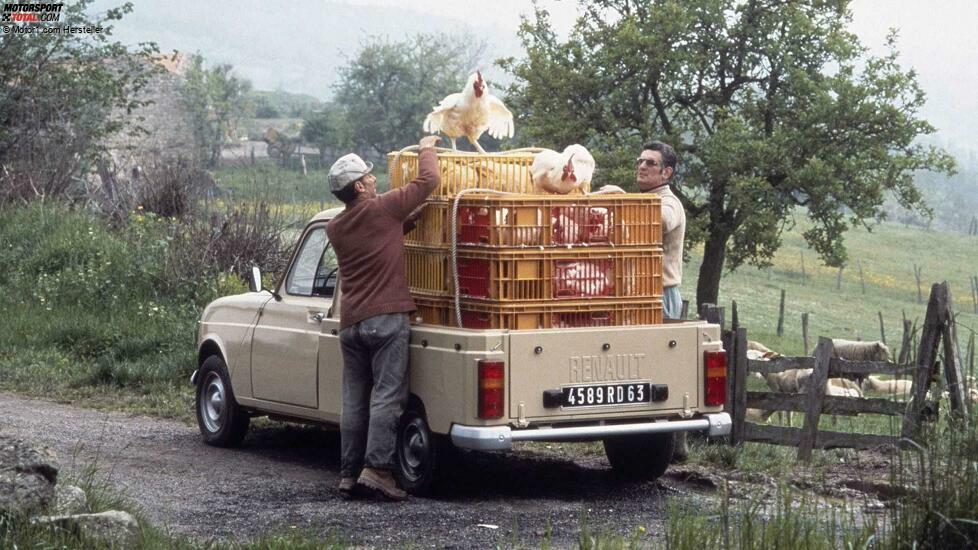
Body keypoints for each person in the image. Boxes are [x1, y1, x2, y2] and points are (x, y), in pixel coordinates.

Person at [325, 135, 441, 501]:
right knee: (388, 397)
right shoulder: (382, 208)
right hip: (386, 320)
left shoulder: (335, 227)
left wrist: (406, 224)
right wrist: (427, 147)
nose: (376, 180)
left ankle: (348, 474)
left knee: (354, 400)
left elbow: (376, 237)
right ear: (358, 186)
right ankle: (377, 471)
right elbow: (428, 182)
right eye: (370, 177)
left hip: (352, 323)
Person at [636, 141, 686, 320]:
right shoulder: (647, 199)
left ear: (666, 172)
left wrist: (624, 201)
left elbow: (663, 220)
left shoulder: (669, 202)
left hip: (661, 294)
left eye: (650, 163)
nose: (642, 166)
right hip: (642, 292)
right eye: (640, 161)